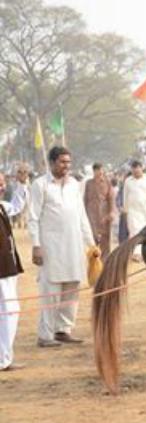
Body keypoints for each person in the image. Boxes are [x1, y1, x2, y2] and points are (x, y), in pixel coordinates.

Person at [28, 147, 97, 347]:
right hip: (50, 247)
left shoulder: (74, 184)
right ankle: (45, 335)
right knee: (51, 289)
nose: (66, 166)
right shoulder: (40, 185)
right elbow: (33, 218)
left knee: (72, 288)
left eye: (68, 162)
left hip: (74, 246)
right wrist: (36, 245)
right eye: (62, 162)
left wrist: (91, 244)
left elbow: (82, 216)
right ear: (51, 163)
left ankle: (63, 330)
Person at [0, 173, 27, 370]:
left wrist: (22, 184)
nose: (2, 187)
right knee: (8, 312)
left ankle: (5, 357)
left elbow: (17, 205)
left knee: (10, 312)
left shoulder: (2, 206)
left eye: (2, 184)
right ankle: (3, 359)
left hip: (8, 266)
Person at [123, 160, 146, 262]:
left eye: (137, 169)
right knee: (134, 231)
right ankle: (136, 254)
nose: (136, 172)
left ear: (141, 168)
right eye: (134, 170)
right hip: (133, 211)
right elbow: (125, 195)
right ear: (131, 170)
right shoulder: (128, 181)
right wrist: (125, 209)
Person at [83, 163, 115, 259]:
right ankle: (94, 260)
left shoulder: (107, 183)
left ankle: (105, 260)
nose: (100, 172)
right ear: (94, 171)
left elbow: (111, 198)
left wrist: (111, 212)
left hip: (104, 214)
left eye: (101, 170)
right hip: (91, 214)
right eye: (98, 170)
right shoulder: (89, 183)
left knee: (105, 238)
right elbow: (85, 199)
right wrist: (83, 214)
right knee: (92, 237)